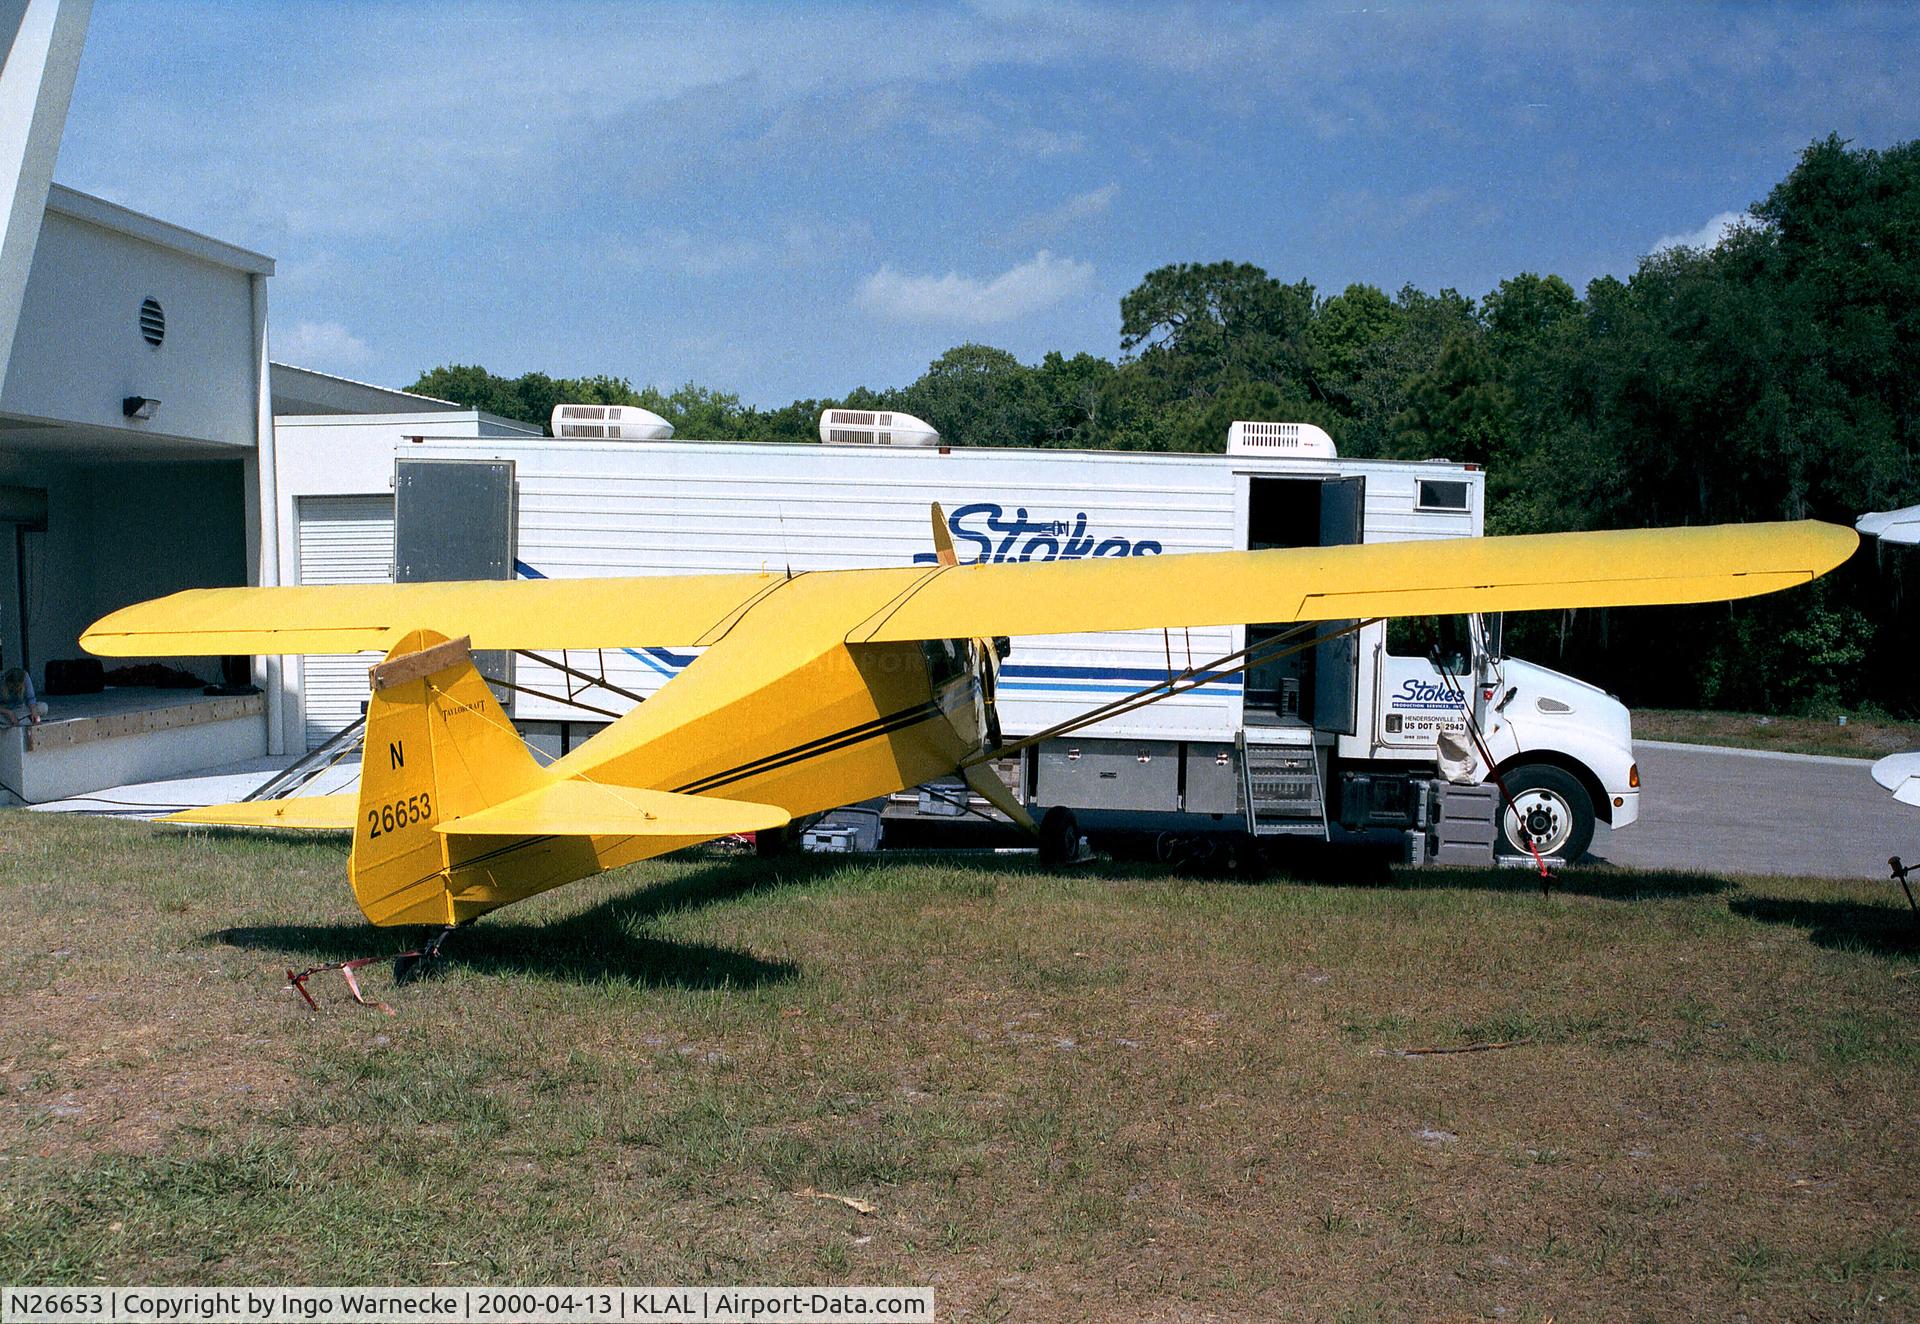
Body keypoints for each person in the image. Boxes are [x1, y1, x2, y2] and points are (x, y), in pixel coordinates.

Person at [0, 650, 46, 726]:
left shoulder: (25, 676)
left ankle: (20, 719)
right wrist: (9, 712)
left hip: (19, 708)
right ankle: (22, 719)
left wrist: (34, 712)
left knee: (43, 707)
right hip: (3, 710)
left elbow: (30, 698)